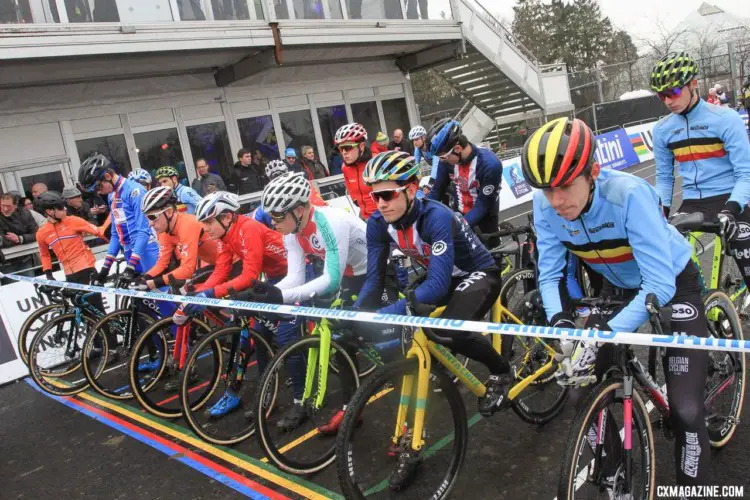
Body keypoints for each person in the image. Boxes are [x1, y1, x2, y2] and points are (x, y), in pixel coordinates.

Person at [522, 116, 710, 489]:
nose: (555, 201)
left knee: (687, 409)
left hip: (673, 282)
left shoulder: (628, 194)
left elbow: (659, 283)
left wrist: (603, 333)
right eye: (546, 190)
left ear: (593, 171)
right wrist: (562, 326)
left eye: (563, 187)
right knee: (581, 386)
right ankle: (614, 472)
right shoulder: (545, 207)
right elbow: (550, 275)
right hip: (617, 286)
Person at [354, 151, 511, 487]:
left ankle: (500, 372)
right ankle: (413, 432)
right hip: (441, 277)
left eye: (387, 194)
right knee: (417, 331)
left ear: (411, 189)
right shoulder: (378, 225)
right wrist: (354, 316)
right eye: (373, 195)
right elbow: (373, 280)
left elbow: (437, 285)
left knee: (445, 331)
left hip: (477, 273)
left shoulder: (435, 216)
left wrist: (383, 315)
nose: (379, 203)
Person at [240, 172, 373, 432]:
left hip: (374, 271)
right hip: (348, 274)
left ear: (299, 210)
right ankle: (352, 409)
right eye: (270, 216)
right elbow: (295, 278)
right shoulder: (293, 231)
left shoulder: (328, 221)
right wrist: (264, 293)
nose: (273, 222)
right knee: (342, 340)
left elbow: (331, 280)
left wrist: (280, 296)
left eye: (278, 216)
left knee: (382, 337)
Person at [176, 191, 288, 419]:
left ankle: (299, 389)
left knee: (282, 334)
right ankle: (261, 394)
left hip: (292, 273)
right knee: (258, 334)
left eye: (208, 221)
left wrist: (210, 294)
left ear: (226, 217)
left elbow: (248, 275)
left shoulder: (248, 228)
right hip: (272, 276)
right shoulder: (225, 236)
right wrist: (200, 294)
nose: (206, 228)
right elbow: (221, 270)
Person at [651, 52, 750, 292]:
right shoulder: (662, 130)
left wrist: (732, 208)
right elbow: (664, 178)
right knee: (668, 260)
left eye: (673, 92)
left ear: (693, 84)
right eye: (661, 95)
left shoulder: (726, 119)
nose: (668, 101)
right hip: (693, 202)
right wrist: (659, 212)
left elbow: (745, 173)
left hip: (731, 198)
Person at [77, 153, 160, 284]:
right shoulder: (111, 196)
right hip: (129, 251)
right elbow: (116, 234)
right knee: (140, 302)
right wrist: (105, 268)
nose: (98, 192)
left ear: (108, 176)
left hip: (146, 249)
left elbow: (144, 231)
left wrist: (131, 266)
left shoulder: (135, 191)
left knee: (162, 299)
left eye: (98, 187)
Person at [427, 118, 503, 246]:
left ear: (457, 148)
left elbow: (482, 206)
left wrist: (458, 227)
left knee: (491, 260)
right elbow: (436, 191)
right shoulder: (446, 162)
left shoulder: (490, 164)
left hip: (485, 215)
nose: (441, 161)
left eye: (443, 156)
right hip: (459, 211)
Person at [139, 186, 220, 290]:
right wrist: (144, 278)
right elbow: (162, 263)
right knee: (184, 293)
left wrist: (155, 283)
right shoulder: (165, 230)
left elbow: (187, 269)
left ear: (168, 212)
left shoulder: (187, 224)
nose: (150, 224)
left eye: (153, 217)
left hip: (232, 261)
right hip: (215, 264)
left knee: (192, 298)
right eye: (147, 218)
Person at [334, 123, 378, 220]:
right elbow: (350, 187)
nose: (344, 152)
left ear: (361, 146)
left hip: (382, 215)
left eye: (348, 147)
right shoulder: (345, 167)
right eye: (340, 149)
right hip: (364, 215)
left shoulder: (376, 162)